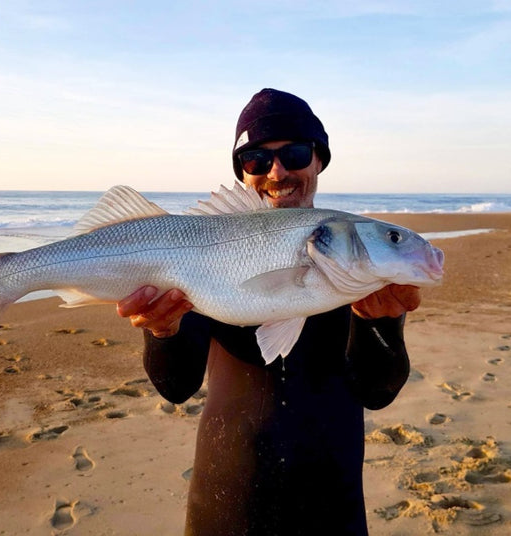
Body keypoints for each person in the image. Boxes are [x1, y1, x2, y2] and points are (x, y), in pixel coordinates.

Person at [117, 88, 421, 536]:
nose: (277, 172)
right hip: (225, 503)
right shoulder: (207, 248)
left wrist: (381, 325)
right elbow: (176, 386)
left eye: (295, 153)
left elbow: (377, 390)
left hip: (331, 509)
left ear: (318, 160)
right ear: (243, 173)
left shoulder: (354, 257)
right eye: (256, 160)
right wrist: (161, 331)